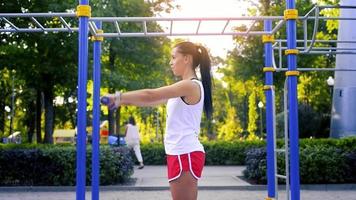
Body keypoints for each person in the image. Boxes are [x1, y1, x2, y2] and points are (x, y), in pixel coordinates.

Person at [103, 41, 213, 200]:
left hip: (185, 152)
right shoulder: (184, 87)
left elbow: (151, 95)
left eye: (174, 57)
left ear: (187, 59)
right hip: (179, 152)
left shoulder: (190, 86)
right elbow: (151, 101)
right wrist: (121, 101)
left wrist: (117, 96)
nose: (171, 62)